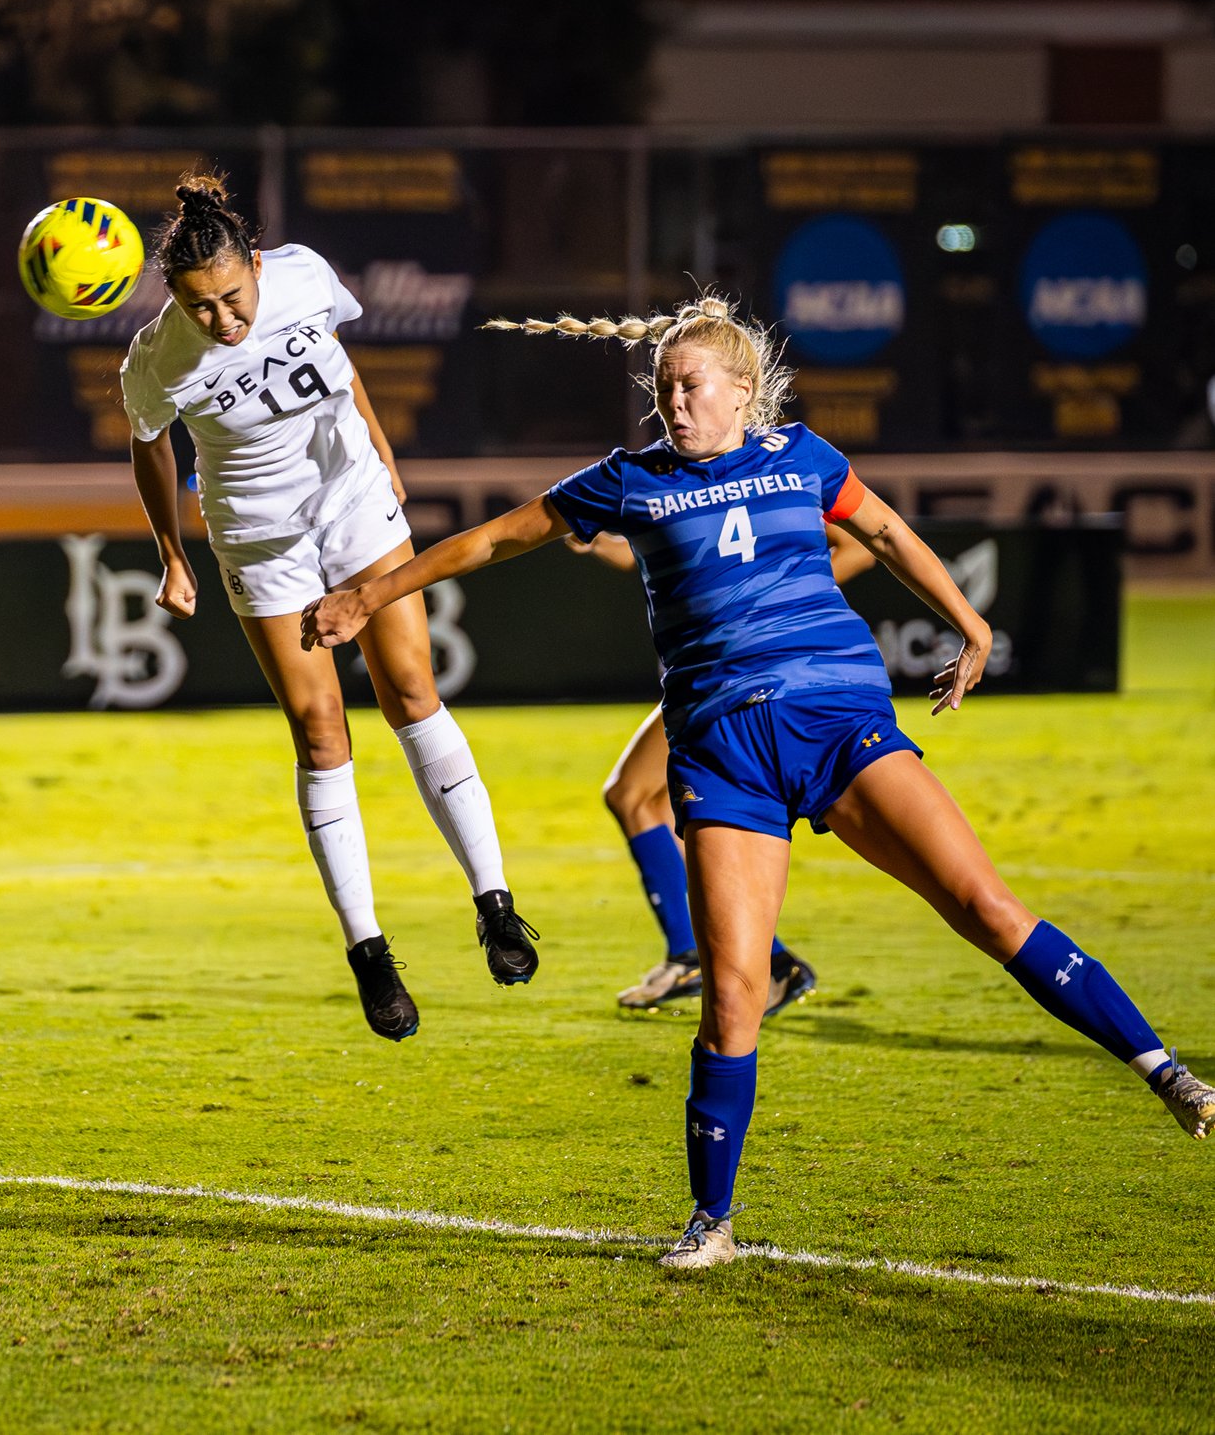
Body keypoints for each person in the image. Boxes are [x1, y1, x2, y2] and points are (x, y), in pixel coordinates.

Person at [303, 297, 1215, 1270]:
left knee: (983, 903)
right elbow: (489, 539)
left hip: (837, 720)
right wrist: (368, 590)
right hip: (722, 751)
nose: (673, 406)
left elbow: (894, 536)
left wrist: (970, 625)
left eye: (690, 386)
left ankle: (1168, 1072)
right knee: (733, 992)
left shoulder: (803, 455)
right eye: (662, 392)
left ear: (742, 392)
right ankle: (712, 1222)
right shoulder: (629, 479)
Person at [120, 174, 531, 1043]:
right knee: (321, 730)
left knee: (412, 689)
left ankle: (495, 902)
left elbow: (345, 372)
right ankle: (369, 950)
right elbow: (150, 445)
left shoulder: (305, 276)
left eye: (233, 296)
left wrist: (385, 463)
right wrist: (171, 551)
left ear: (257, 265)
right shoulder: (160, 357)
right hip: (262, 541)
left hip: (353, 503)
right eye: (201, 308)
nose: (224, 320)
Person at [573, 523, 873, 1014]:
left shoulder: (762, 470)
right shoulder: (683, 481)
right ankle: (718, 956)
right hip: (706, 673)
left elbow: (859, 548)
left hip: (746, 674)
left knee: (637, 797)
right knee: (644, 802)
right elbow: (649, 554)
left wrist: (764, 607)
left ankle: (735, 958)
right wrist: (600, 544)